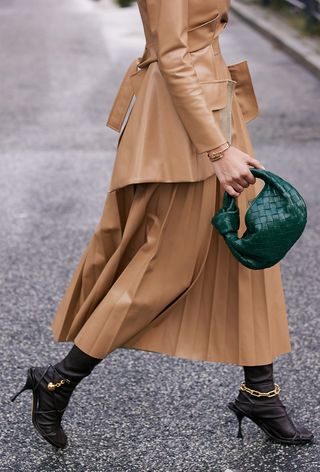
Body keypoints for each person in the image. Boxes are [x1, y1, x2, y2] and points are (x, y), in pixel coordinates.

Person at [11, 0, 313, 449]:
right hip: (186, 132)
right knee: (163, 270)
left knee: (248, 255)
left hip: (211, 114)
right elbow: (173, 56)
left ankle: (261, 392)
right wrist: (217, 150)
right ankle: (57, 381)